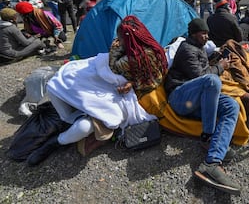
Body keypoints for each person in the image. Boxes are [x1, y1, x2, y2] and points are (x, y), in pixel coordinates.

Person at [26, 15, 168, 166]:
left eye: (121, 39)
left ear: (128, 39)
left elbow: (119, 67)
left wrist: (131, 83)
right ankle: (67, 119)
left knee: (85, 122)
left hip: (119, 86)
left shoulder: (139, 57)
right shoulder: (140, 45)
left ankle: (56, 141)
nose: (118, 41)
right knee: (59, 83)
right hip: (109, 77)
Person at [164, 18, 241, 195]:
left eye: (207, 33)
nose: (206, 36)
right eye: (203, 33)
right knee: (212, 81)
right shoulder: (186, 49)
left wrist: (216, 60)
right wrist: (220, 67)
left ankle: (212, 162)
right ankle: (207, 137)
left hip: (196, 98)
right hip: (179, 97)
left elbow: (203, 71)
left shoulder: (197, 48)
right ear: (193, 34)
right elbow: (200, 77)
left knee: (231, 105)